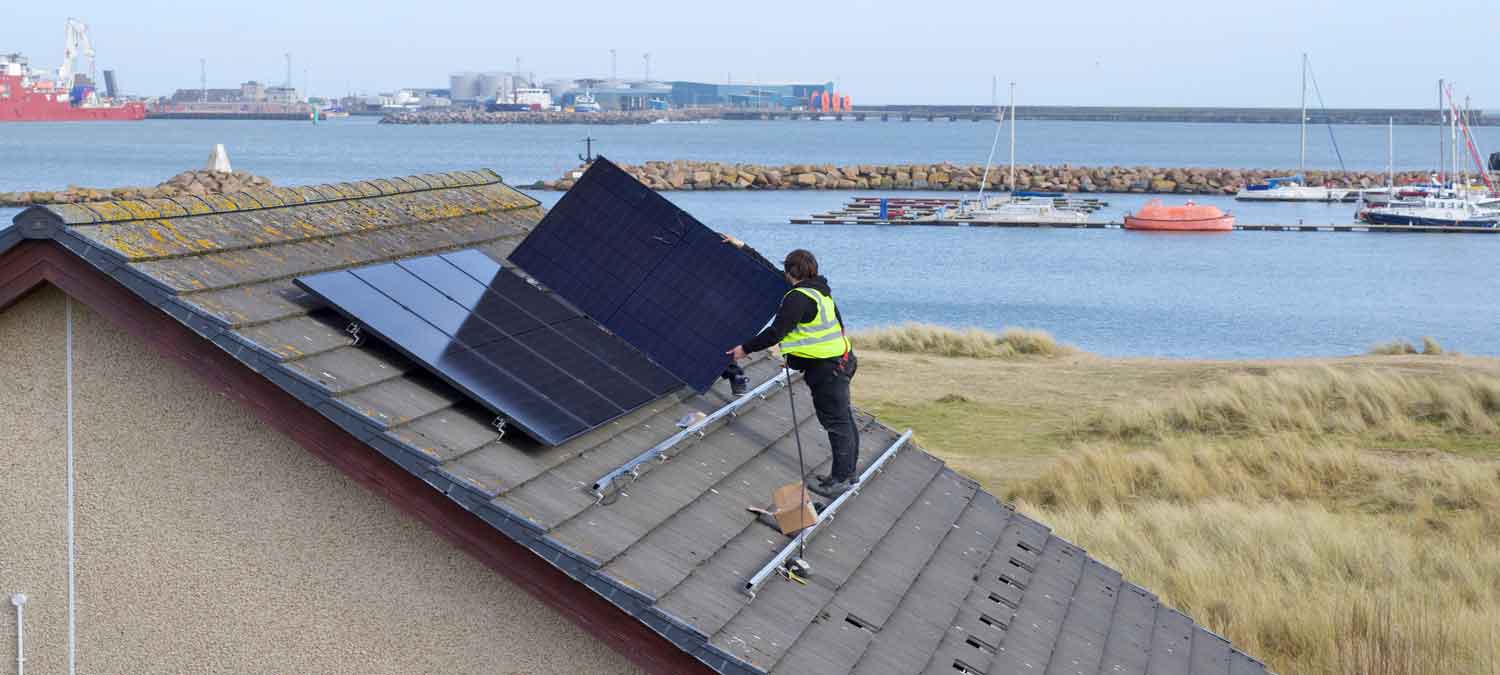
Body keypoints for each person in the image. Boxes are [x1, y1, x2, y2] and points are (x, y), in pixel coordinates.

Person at [721, 233, 860, 498]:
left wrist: (744, 349)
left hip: (828, 368)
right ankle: (847, 473)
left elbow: (776, 333)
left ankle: (841, 479)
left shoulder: (797, 298)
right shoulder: (819, 292)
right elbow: (772, 272)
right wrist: (742, 246)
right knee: (844, 419)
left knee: (837, 422)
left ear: (790, 273)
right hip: (840, 362)